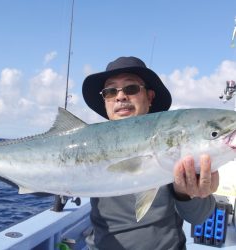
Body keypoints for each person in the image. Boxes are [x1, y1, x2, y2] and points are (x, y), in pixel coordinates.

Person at [82, 56, 219, 250]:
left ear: (150, 97)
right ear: (105, 101)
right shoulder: (87, 144)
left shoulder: (175, 140)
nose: (120, 97)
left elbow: (199, 217)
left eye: (131, 88)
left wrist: (185, 193)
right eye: (110, 91)